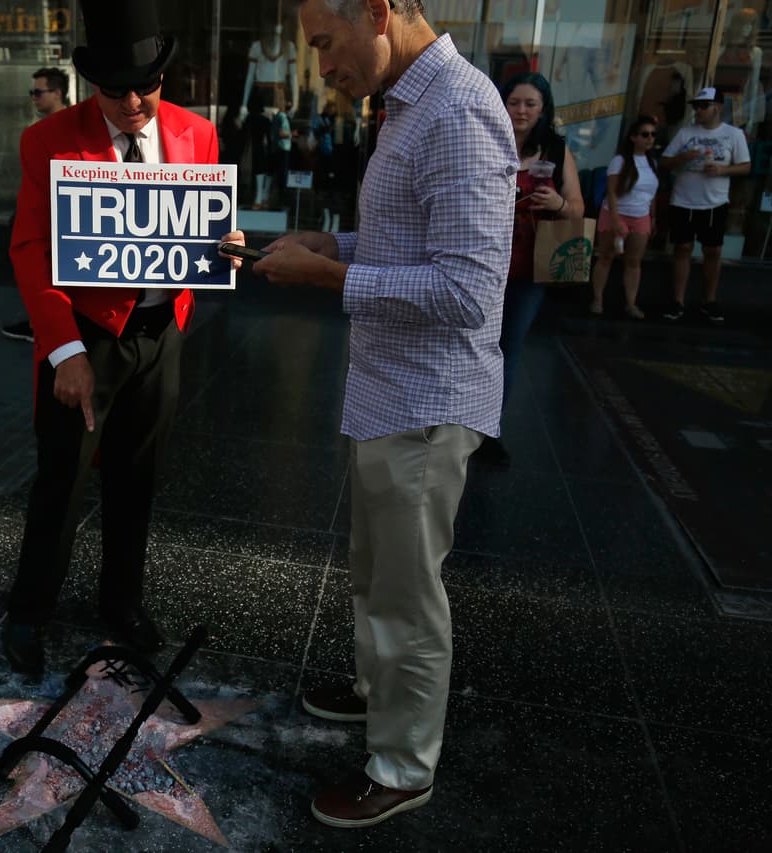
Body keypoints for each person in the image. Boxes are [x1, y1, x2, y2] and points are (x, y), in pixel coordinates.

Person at [252, 0, 516, 829]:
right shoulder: (412, 103)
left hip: (427, 401)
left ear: (378, 11)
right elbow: (414, 244)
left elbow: (469, 293)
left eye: (325, 44)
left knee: (406, 595)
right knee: (377, 572)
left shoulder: (461, 110)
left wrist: (327, 279)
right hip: (390, 392)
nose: (322, 68)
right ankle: (378, 693)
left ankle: (403, 765)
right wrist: (337, 245)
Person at [3, 0, 244, 680]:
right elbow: (29, 248)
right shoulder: (47, 138)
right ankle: (29, 609)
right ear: (90, 84)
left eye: (148, 84)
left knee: (137, 478)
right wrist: (63, 350)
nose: (135, 101)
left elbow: (200, 230)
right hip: (84, 337)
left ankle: (122, 601)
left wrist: (217, 249)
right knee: (62, 477)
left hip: (159, 332)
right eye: (117, 89)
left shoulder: (198, 134)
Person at [477, 72, 583, 466]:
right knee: (470, 344)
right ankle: (457, 420)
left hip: (530, 266)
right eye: (514, 102)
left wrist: (555, 204)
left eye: (530, 104)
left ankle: (488, 429)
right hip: (484, 262)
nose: (520, 111)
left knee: (507, 347)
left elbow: (576, 208)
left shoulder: (556, 148)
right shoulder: (485, 137)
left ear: (543, 109)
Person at [660, 87, 751, 324]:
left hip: (715, 202)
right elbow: (666, 162)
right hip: (683, 200)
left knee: (713, 251)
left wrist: (723, 169)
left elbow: (745, 166)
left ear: (718, 108)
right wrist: (683, 158)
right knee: (682, 248)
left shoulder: (734, 134)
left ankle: (709, 300)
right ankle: (677, 300)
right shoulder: (685, 133)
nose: (698, 110)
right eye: (696, 106)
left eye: (703, 106)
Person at [1, 66, 71, 345]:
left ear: (57, 93)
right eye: (32, 93)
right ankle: (39, 321)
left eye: (38, 92)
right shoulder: (47, 129)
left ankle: (42, 324)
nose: (34, 98)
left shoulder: (66, 127)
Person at [590, 116, 659, 319]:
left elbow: (651, 194)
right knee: (606, 257)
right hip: (616, 212)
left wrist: (653, 218)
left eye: (653, 135)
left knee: (634, 261)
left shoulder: (652, 162)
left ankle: (631, 303)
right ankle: (597, 299)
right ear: (633, 137)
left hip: (641, 215)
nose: (650, 139)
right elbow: (611, 192)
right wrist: (615, 219)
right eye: (645, 134)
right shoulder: (619, 161)